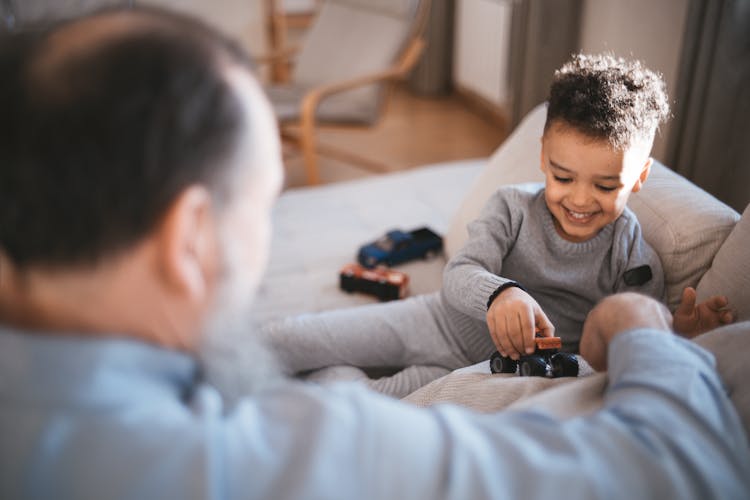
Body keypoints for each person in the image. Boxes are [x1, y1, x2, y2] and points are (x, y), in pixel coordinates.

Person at [1, 7, 748, 500]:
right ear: (188, 241)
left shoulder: (631, 244)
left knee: (378, 380)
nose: (579, 197)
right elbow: (681, 465)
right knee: (325, 353)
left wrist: (671, 320)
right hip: (444, 321)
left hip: (477, 364)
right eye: (264, 206)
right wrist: (636, 323)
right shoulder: (316, 450)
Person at [262, 53, 734, 397]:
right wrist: (501, 292)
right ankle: (206, 375)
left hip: (489, 371)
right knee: (292, 339)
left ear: (641, 177)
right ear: (543, 157)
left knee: (356, 398)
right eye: (563, 176)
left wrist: (678, 333)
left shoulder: (634, 256)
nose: (581, 200)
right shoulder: (512, 206)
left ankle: (310, 396)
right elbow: (459, 273)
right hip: (440, 323)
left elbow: (629, 344)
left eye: (607, 186)